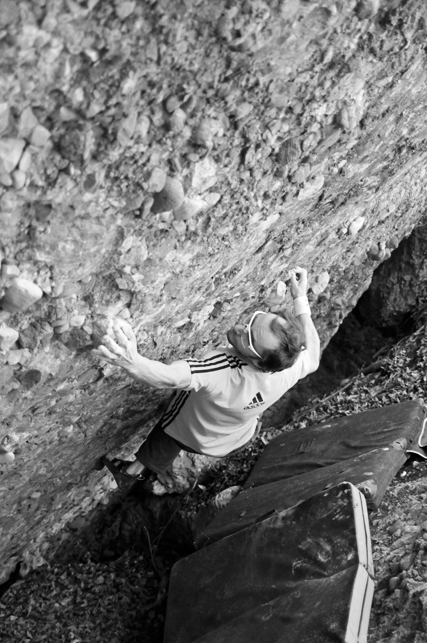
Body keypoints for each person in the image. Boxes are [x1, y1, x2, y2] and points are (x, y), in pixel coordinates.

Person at [94, 266, 320, 488]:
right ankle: (141, 472)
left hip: (194, 431)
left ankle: (131, 472)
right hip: (230, 439)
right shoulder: (287, 367)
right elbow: (314, 357)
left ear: (259, 361)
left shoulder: (224, 370)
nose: (241, 327)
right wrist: (300, 298)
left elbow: (170, 378)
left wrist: (130, 360)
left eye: (249, 339)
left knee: (174, 421)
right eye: (253, 320)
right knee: (181, 434)